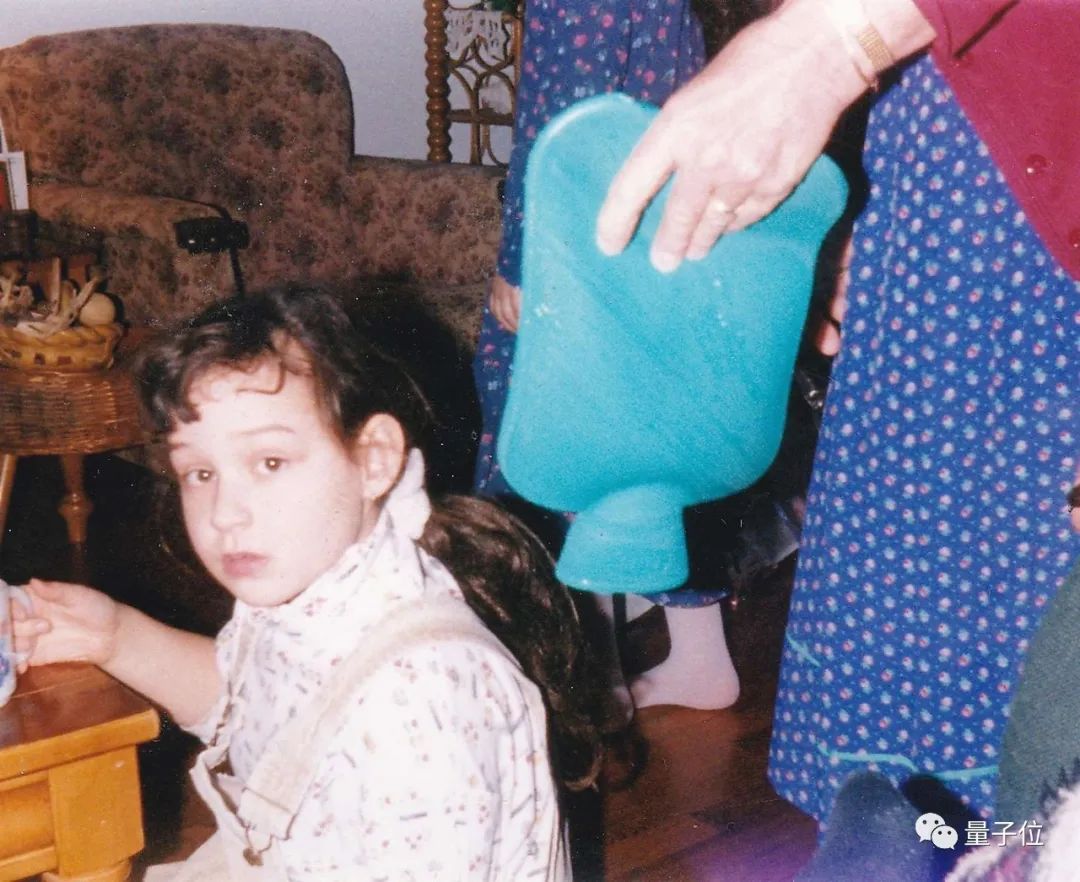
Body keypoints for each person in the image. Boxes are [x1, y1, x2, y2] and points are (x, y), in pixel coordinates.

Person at [594, 0, 1080, 825]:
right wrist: (861, 227)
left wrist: (821, 48)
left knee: (1029, 765)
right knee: (893, 753)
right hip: (927, 264)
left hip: (1034, 317)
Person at [14, 286, 607, 881]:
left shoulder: (420, 704)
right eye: (200, 472)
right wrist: (116, 636)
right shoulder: (322, 590)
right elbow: (257, 704)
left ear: (374, 459)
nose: (224, 513)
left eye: (269, 463)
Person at [475, 0, 748, 714]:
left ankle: (590, 674)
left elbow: (561, 128)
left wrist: (519, 259)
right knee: (652, 445)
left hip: (589, 242)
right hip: (659, 236)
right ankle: (696, 654)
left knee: (555, 446)